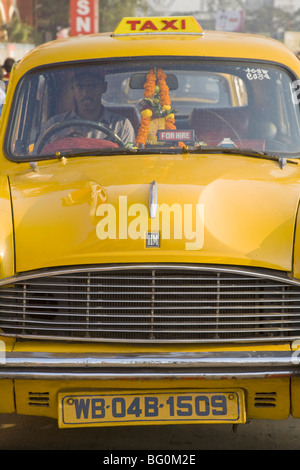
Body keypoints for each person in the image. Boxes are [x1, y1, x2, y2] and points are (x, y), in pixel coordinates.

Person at [35, 69, 135, 151]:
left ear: (103, 87)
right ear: (72, 88)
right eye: (80, 86)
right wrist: (59, 145)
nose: (86, 93)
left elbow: (128, 165)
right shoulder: (54, 126)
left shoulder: (121, 126)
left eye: (92, 86)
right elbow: (37, 164)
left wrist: (86, 145)